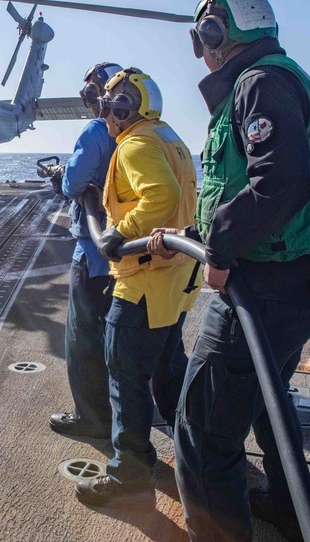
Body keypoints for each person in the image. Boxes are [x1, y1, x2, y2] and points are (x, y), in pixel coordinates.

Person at [149, 0, 310, 542]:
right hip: (296, 284)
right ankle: (285, 506)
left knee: (202, 435)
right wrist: (192, 233)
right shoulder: (282, 76)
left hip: (264, 288)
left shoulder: (259, 82)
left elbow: (279, 182)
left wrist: (222, 249)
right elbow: (242, 185)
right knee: (266, 408)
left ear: (214, 34)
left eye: (202, 37)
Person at [73, 68, 199, 511]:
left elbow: (160, 196)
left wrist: (118, 232)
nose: (105, 112)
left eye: (109, 104)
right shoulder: (169, 136)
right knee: (168, 371)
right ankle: (197, 459)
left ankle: (129, 475)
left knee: (124, 374)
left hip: (142, 282)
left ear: (122, 108)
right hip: (175, 281)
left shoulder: (136, 143)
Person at [48, 62, 122, 440]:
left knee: (82, 341)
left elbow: (73, 183)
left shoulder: (96, 130)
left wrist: (64, 177)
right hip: (127, 256)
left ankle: (92, 419)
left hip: (93, 254)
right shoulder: (142, 132)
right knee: (119, 339)